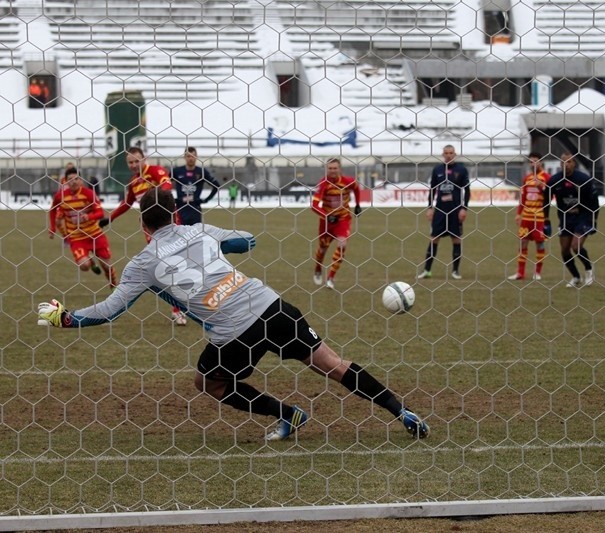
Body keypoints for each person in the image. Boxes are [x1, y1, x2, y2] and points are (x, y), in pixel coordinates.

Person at [37, 187, 429, 442]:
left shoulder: (143, 264)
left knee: (209, 383)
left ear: (142, 225)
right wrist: (228, 246)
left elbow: (109, 311)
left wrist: (66, 318)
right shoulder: (200, 229)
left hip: (234, 332)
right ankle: (402, 411)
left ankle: (287, 414)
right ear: (176, 214)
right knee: (332, 364)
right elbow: (246, 240)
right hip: (271, 306)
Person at [99, 147, 186, 324]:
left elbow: (167, 185)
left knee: (172, 265)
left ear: (144, 159)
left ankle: (179, 309)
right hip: (150, 231)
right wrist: (110, 218)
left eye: (135, 161)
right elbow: (127, 202)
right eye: (129, 162)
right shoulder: (134, 181)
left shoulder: (154, 171)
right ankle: (178, 306)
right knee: (165, 267)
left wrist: (155, 198)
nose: (132, 165)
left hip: (169, 225)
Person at [48, 167, 117, 288]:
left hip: (95, 234)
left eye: (76, 179)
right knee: (84, 266)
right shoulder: (60, 196)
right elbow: (53, 210)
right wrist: (52, 227)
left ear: (81, 180)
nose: (74, 182)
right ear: (65, 181)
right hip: (77, 237)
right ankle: (90, 261)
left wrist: (89, 217)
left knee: (106, 265)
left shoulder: (89, 194)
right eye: (70, 179)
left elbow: (100, 213)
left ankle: (113, 283)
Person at [545, 151, 600, 288]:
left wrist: (594, 220)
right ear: (560, 164)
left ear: (574, 163)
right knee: (564, 250)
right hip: (565, 217)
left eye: (569, 162)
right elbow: (545, 201)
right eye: (563, 162)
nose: (566, 164)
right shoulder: (554, 181)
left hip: (583, 216)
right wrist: (546, 220)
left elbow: (595, 202)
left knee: (576, 246)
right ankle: (576, 277)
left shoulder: (584, 180)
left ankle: (589, 270)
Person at [418, 145, 471, 280]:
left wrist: (464, 208)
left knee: (456, 239)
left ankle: (455, 271)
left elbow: (467, 191)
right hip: (440, 211)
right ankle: (427, 270)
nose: (448, 155)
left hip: (455, 211)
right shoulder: (438, 169)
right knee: (434, 238)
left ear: (455, 154)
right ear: (442, 154)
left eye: (451, 153)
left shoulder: (461, 170)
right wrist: (430, 207)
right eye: (446, 153)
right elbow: (432, 190)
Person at [311, 158, 362, 290]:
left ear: (340, 169)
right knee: (322, 249)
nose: (333, 171)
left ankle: (330, 278)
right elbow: (314, 205)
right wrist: (327, 216)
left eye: (335, 168)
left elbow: (356, 188)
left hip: (343, 219)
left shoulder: (347, 181)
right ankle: (318, 268)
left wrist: (357, 204)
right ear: (327, 169)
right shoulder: (323, 184)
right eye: (330, 168)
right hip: (327, 221)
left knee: (342, 244)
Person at [509, 152, 551, 281]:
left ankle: (537, 273)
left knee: (540, 244)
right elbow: (522, 198)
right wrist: (518, 214)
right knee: (523, 243)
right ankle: (520, 273)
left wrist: (543, 188)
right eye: (531, 161)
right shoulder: (527, 178)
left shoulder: (547, 177)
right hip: (526, 217)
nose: (533, 163)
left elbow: (551, 196)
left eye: (535, 161)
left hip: (539, 217)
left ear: (541, 162)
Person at [171, 147, 220, 225]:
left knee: (195, 234)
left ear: (196, 156)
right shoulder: (177, 171)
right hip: (180, 208)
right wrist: (173, 199)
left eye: (193, 156)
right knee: (180, 234)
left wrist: (206, 200)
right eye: (188, 156)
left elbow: (216, 186)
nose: (191, 158)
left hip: (195, 209)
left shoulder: (201, 172)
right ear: (184, 157)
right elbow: (164, 184)